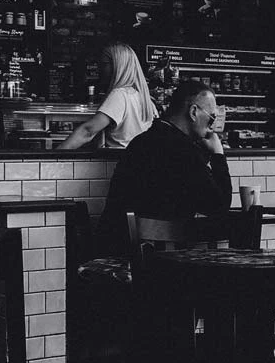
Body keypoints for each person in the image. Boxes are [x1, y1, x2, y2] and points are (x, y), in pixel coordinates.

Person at [96, 78, 232, 254]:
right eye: (211, 117)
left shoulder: (141, 142)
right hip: (158, 264)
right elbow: (219, 207)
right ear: (193, 112)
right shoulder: (184, 151)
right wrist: (218, 155)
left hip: (115, 250)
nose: (212, 125)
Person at [59, 42, 156, 151]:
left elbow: (88, 131)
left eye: (104, 64)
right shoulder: (143, 97)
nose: (99, 69)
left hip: (118, 160)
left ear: (117, 66)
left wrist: (56, 155)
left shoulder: (120, 95)